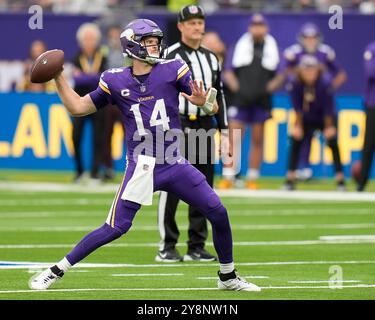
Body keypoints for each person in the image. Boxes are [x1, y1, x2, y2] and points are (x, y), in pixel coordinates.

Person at [29, 19, 260, 292]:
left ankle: (227, 276)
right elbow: (79, 107)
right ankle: (56, 270)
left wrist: (203, 102)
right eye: (149, 41)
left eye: (156, 41)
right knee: (115, 227)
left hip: (175, 162)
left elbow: (209, 105)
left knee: (218, 212)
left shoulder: (172, 69)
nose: (155, 46)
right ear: (132, 45)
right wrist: (58, 78)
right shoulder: (114, 79)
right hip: (142, 166)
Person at [155, 5, 229, 263]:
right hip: (178, 125)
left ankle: (196, 244)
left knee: (203, 186)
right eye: (191, 22)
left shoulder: (212, 58)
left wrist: (225, 131)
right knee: (171, 185)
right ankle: (167, 245)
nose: (197, 27)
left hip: (205, 124)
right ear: (180, 26)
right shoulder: (169, 56)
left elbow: (219, 95)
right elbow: (159, 92)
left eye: (200, 22)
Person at [268, 22, 347, 181]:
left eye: (313, 38)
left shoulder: (325, 81)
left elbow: (340, 76)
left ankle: (338, 176)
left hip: (321, 103)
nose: (309, 72)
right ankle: (297, 171)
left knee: (331, 138)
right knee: (299, 136)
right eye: (307, 38)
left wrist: (330, 87)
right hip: (305, 106)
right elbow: (285, 73)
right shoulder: (296, 81)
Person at [218, 13, 279, 189]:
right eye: (254, 25)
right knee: (233, 137)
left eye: (261, 25)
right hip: (241, 98)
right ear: (249, 28)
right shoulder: (241, 46)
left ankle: (252, 177)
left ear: (266, 28)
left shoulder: (271, 47)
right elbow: (228, 70)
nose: (257, 29)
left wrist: (267, 89)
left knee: (258, 138)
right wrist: (239, 90)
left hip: (261, 99)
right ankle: (228, 176)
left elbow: (281, 72)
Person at [283, 55, 346, 191]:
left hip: (324, 118)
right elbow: (297, 107)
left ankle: (340, 180)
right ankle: (290, 179)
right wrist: (298, 126)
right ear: (300, 71)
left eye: (312, 70)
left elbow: (329, 108)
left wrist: (329, 127)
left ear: (318, 70)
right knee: (295, 140)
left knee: (333, 142)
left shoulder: (325, 83)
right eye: (306, 70)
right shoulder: (295, 84)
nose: (309, 73)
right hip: (306, 117)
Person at [71, 23, 108, 183]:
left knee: (99, 139)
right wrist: (93, 76)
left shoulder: (103, 56)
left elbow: (104, 77)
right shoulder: (75, 57)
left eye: (92, 39)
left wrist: (85, 76)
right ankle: (79, 171)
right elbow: (76, 79)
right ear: (81, 41)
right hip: (80, 102)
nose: (89, 42)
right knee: (76, 137)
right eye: (86, 39)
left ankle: (94, 173)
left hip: (99, 101)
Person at [101, 24, 126, 181]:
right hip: (110, 99)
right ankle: (108, 168)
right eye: (113, 36)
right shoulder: (104, 53)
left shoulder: (128, 53)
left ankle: (133, 165)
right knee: (106, 135)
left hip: (125, 99)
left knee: (130, 135)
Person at [357, 40, 375, 191]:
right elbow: (371, 72)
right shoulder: (372, 48)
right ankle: (361, 183)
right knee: (368, 144)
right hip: (373, 104)